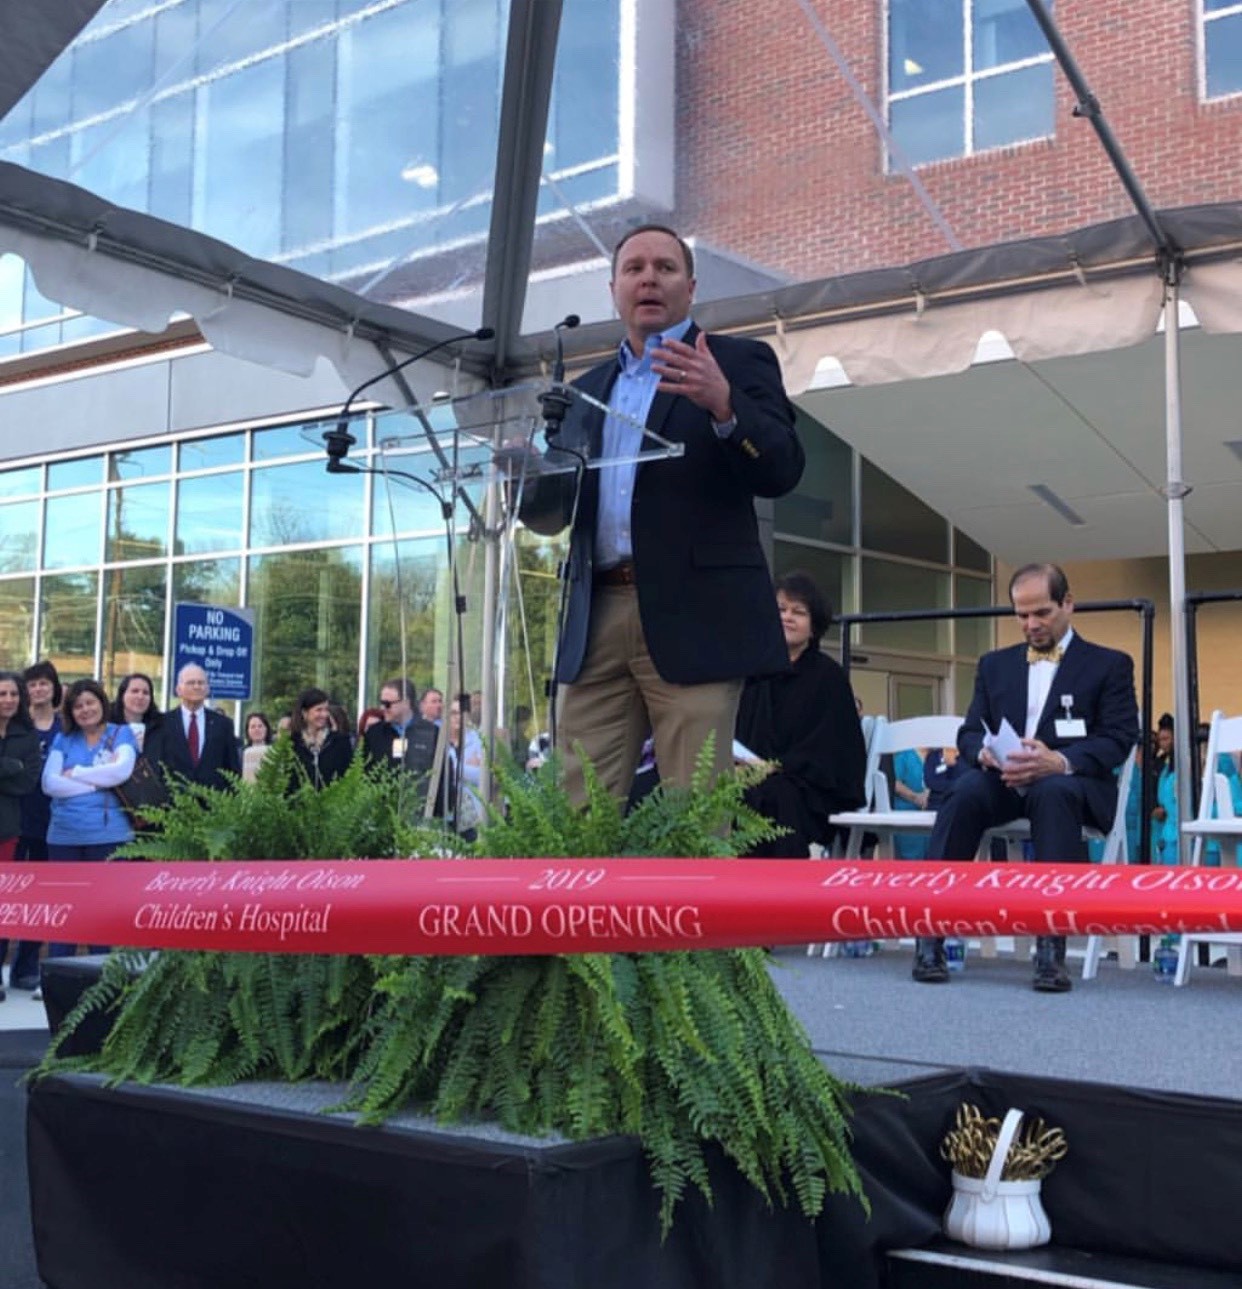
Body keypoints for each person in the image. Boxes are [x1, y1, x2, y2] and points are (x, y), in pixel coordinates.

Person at [515, 223, 804, 802]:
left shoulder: (736, 361)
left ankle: (689, 899)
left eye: (665, 268)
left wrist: (723, 405)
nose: (649, 278)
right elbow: (551, 519)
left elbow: (783, 470)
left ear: (690, 288)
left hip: (696, 616)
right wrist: (525, 478)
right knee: (576, 806)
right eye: (634, 268)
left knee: (692, 813)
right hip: (597, 612)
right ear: (614, 288)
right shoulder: (586, 389)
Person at [915, 563, 1139, 992]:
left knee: (1054, 793)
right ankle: (930, 936)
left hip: (1069, 782)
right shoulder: (994, 664)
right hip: (1004, 780)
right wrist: (983, 751)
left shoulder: (1108, 665)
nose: (1031, 624)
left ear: (1068, 604)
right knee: (962, 794)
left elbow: (1118, 738)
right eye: (1021, 615)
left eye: (1042, 613)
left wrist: (1059, 761)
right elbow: (969, 731)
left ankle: (1051, 949)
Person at [734, 573, 865, 857]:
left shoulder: (828, 677)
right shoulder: (753, 672)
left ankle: (780, 894)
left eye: (798, 612)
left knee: (775, 795)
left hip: (810, 787)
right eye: (780, 609)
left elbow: (834, 747)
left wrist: (778, 766)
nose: (787, 617)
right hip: (748, 774)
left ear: (813, 626)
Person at [43, 678, 139, 958]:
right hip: (64, 836)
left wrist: (77, 774)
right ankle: (59, 972)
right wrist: (99, 781)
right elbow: (50, 784)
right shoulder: (63, 738)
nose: (85, 709)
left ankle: (101, 978)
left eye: (90, 702)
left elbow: (120, 771)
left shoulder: (121, 733)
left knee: (103, 911)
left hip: (109, 836)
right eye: (78, 706)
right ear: (70, 712)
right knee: (65, 910)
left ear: (102, 703)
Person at [10, 661, 62, 993]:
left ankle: (26, 965)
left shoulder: (64, 727)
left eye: (45, 683)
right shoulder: (14, 726)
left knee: (43, 897)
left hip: (52, 823)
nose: (38, 689)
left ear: (54, 688)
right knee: (8, 893)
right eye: (33, 684)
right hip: (15, 821)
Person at [0, 672, 42, 1001]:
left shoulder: (27, 736)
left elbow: (26, 783)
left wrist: (14, 768)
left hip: (7, 831)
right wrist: (8, 766)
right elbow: (14, 774)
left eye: (14, 694)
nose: (9, 700)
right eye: (2, 694)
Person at [147, 663, 240, 792]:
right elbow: (155, 766)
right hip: (173, 803)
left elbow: (233, 770)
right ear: (178, 689)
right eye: (191, 683)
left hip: (213, 804)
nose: (197, 686)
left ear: (207, 689)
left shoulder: (223, 724)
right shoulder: (162, 723)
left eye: (201, 683)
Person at [362, 679, 443, 806]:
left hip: (420, 810)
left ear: (405, 702)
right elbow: (364, 773)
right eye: (381, 703)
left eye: (388, 704)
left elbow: (442, 774)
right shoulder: (374, 733)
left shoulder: (431, 732)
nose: (383, 708)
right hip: (381, 811)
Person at [289, 688, 354, 789]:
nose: (324, 715)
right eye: (318, 710)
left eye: (326, 710)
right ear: (304, 713)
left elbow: (348, 776)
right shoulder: (292, 743)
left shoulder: (340, 741)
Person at [445, 694, 485, 836]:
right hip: (445, 810)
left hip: (471, 813)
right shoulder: (439, 741)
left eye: (463, 713)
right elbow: (442, 773)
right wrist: (467, 766)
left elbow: (482, 776)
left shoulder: (478, 740)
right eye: (454, 713)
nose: (459, 717)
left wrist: (454, 767)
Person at [110, 672, 162, 753]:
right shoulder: (107, 723)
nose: (140, 696)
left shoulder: (160, 726)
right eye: (135, 691)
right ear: (122, 694)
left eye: (145, 693)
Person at [241, 711, 274, 783]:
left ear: (266, 728)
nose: (257, 729)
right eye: (253, 726)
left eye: (260, 726)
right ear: (247, 730)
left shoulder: (275, 752)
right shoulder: (241, 753)